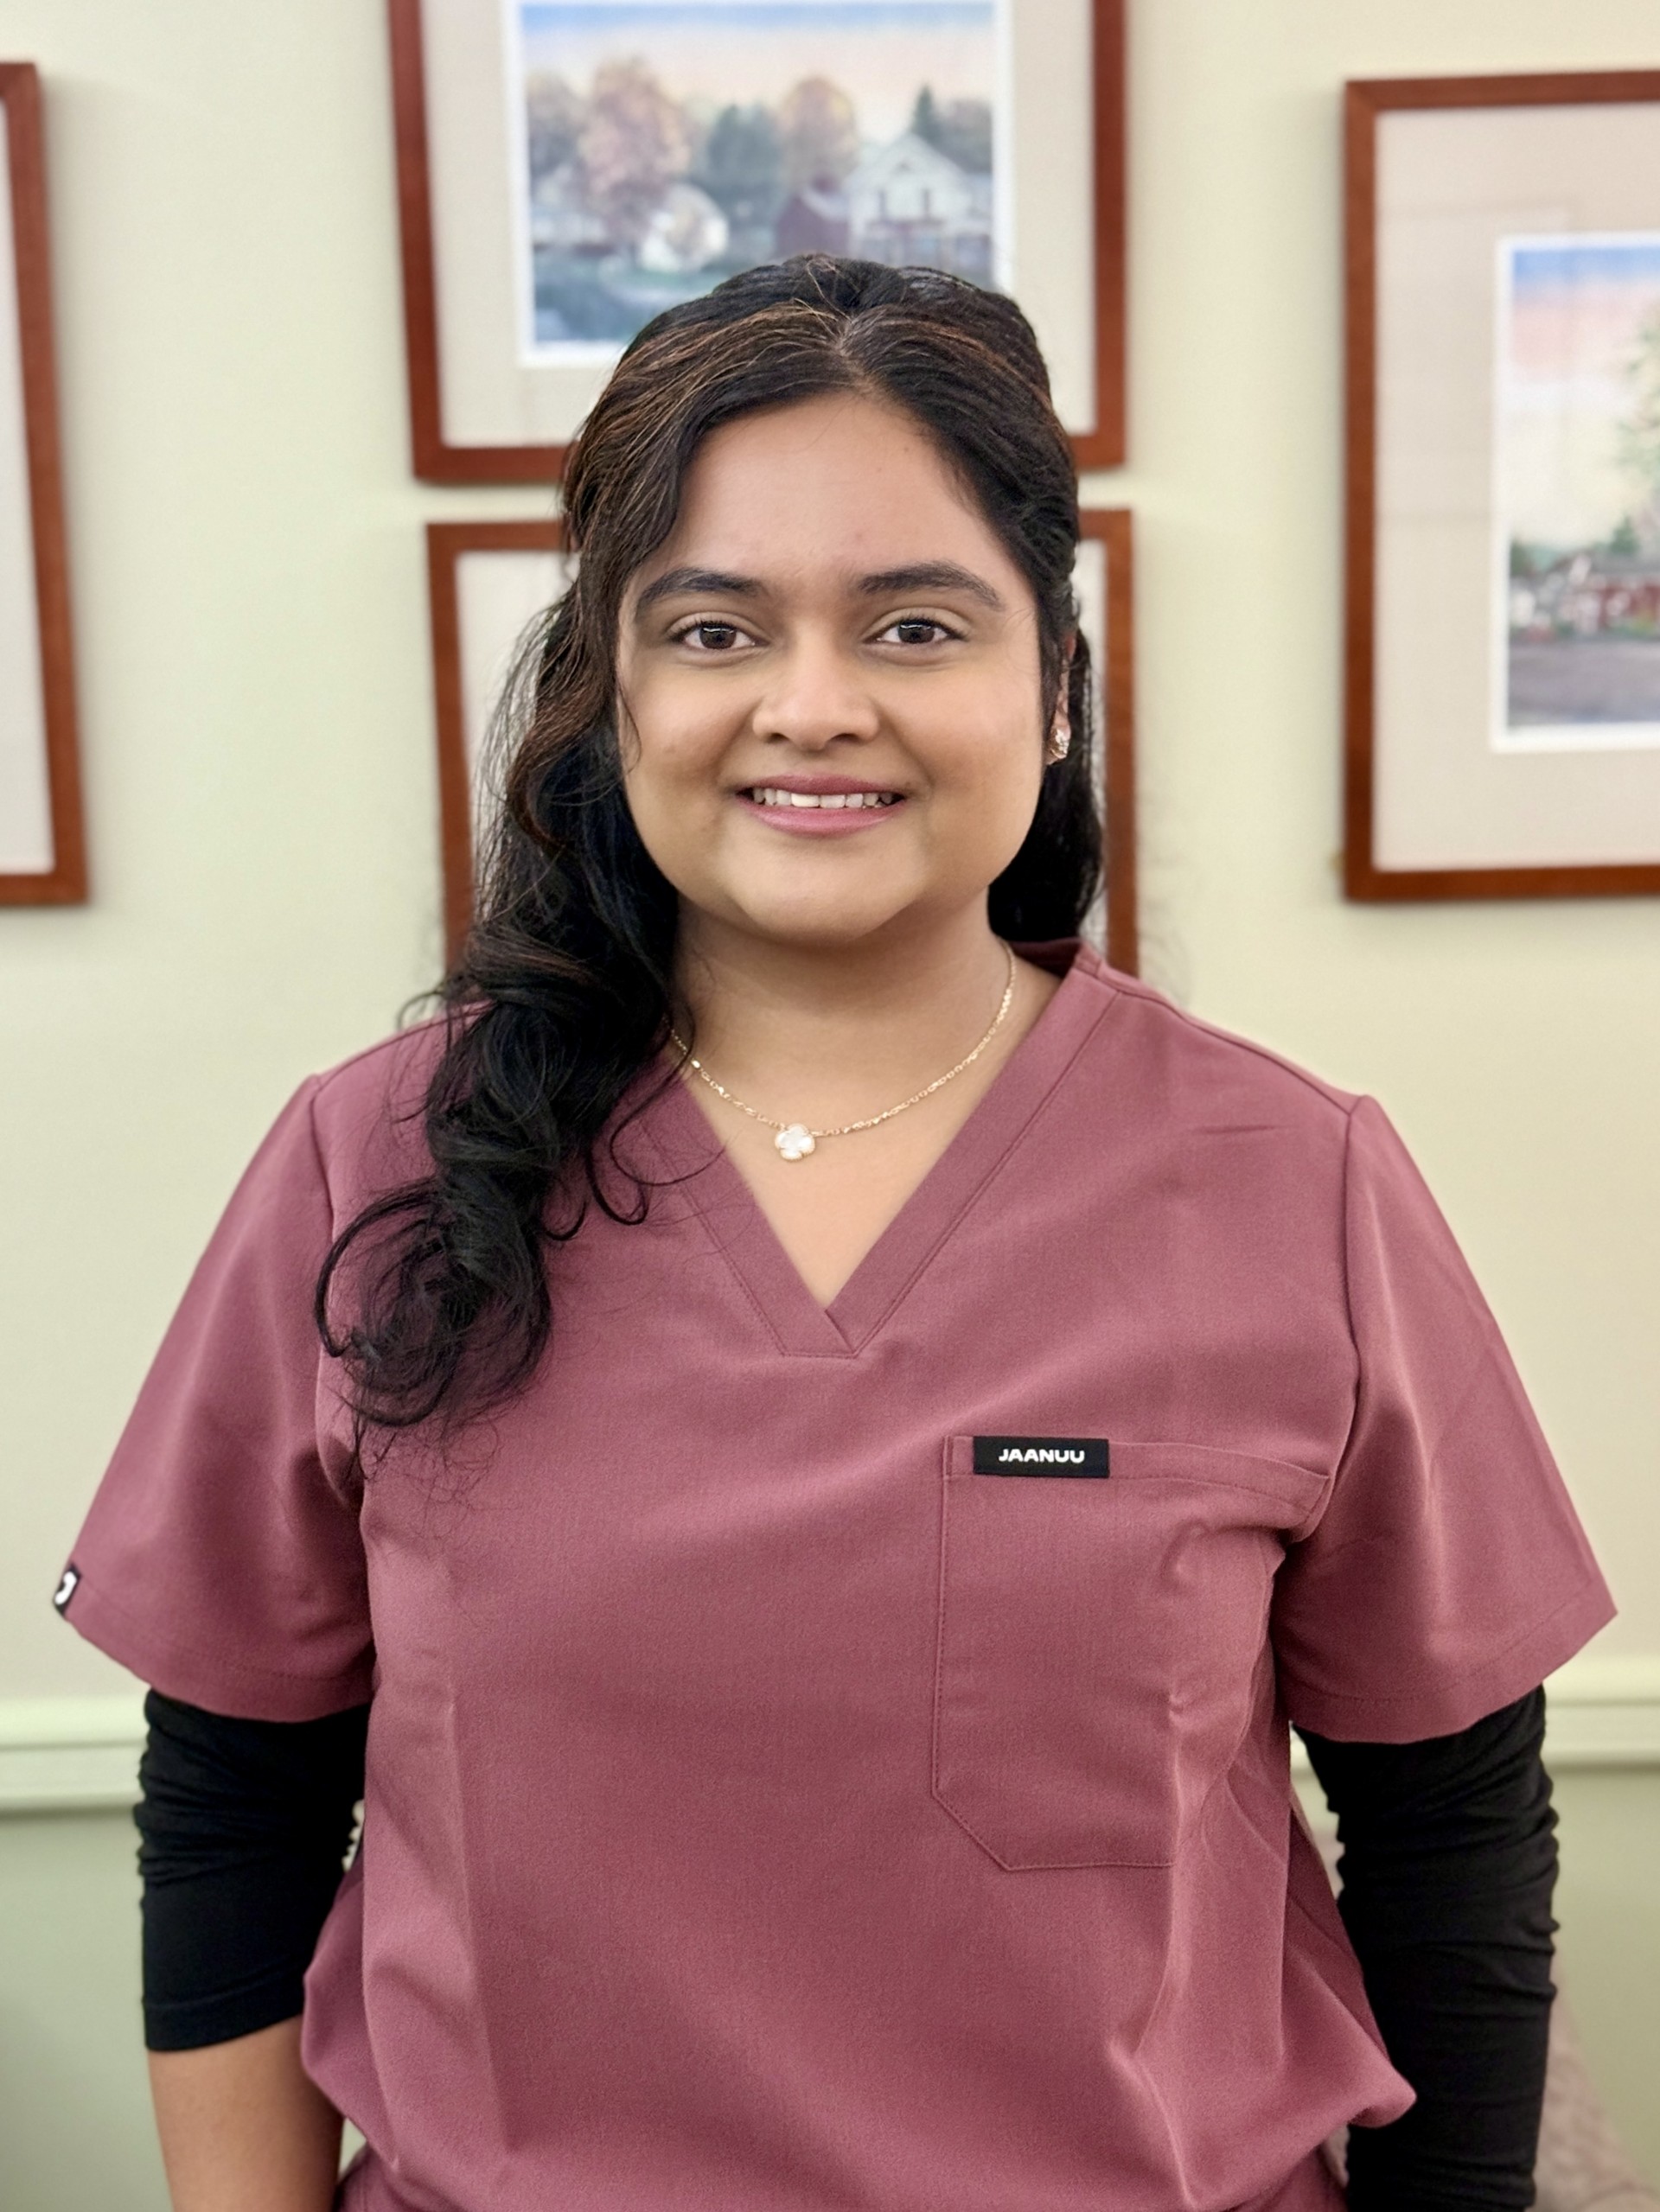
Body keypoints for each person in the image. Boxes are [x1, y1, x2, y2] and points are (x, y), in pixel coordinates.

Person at [60, 256, 1612, 2212]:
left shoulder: (1292, 1180)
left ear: (1049, 685)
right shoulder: (373, 1163)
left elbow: (1453, 1828)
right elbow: (235, 1804)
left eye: (913, 622)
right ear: (613, 689)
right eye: (715, 626)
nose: (815, 704)